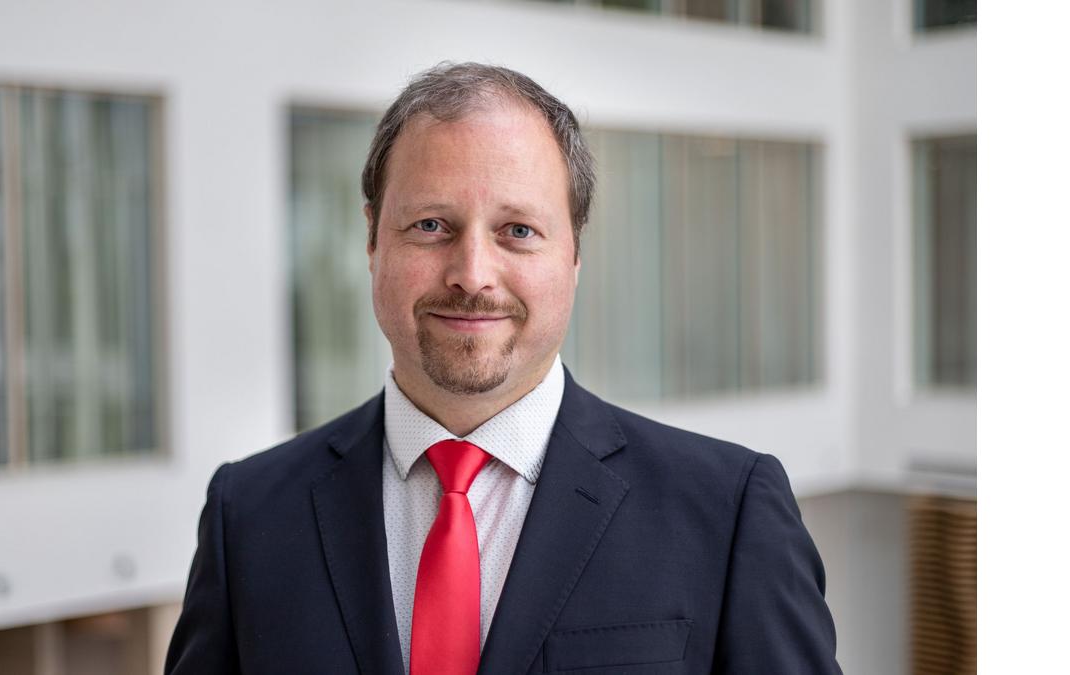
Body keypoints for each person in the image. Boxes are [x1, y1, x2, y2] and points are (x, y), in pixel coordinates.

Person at [165, 62, 842, 675]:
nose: (472, 274)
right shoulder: (246, 514)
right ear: (372, 239)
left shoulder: (727, 511)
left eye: (517, 230)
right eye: (431, 225)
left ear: (574, 254)